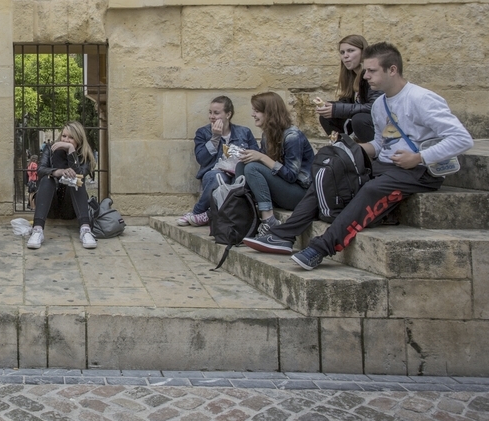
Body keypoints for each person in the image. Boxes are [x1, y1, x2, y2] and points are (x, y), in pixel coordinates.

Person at [246, 42, 474, 270]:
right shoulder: (380, 104)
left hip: (419, 170)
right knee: (330, 172)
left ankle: (321, 248)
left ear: (392, 70)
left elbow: (461, 138)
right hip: (386, 164)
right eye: (365, 70)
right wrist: (350, 151)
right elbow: (380, 144)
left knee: (371, 189)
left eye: (372, 71)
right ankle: (283, 235)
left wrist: (419, 157)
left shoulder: (421, 98)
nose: (365, 76)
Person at [235, 92, 314, 236]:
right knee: (242, 165)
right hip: (282, 189)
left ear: (270, 113)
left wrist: (262, 157)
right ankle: (241, 213)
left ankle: (269, 220)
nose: (253, 114)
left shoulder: (292, 136)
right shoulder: (267, 134)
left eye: (257, 111)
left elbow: (291, 175)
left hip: (300, 194)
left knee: (252, 167)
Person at [177, 96, 259, 227]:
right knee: (219, 177)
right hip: (213, 174)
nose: (212, 117)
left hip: (238, 174)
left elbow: (256, 155)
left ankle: (208, 214)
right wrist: (215, 138)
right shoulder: (203, 133)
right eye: (210, 112)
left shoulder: (244, 132)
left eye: (216, 113)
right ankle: (198, 211)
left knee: (239, 181)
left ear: (228, 114)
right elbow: (202, 159)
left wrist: (242, 156)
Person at [26, 121, 99, 250]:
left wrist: (71, 151)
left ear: (79, 139)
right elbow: (40, 170)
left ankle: (85, 230)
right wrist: (57, 172)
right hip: (50, 205)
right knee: (47, 179)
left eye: (71, 138)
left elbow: (80, 174)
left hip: (71, 207)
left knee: (75, 180)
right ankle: (37, 230)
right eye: (64, 136)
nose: (65, 140)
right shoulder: (50, 148)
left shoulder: (85, 155)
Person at [315, 34, 379, 143]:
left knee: (359, 119)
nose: (345, 56)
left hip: (375, 124)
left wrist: (337, 109)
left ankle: (369, 151)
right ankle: (342, 146)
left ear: (363, 52)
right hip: (357, 122)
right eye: (342, 52)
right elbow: (348, 102)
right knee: (326, 116)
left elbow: (374, 107)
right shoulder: (350, 76)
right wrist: (329, 106)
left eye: (351, 51)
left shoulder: (371, 75)